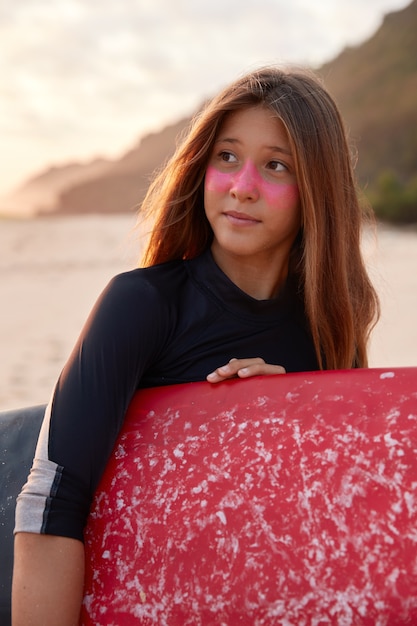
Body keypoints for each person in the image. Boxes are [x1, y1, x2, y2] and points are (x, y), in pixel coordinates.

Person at [12, 65, 379, 625]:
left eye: (275, 165)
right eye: (226, 157)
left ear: (318, 191)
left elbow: (343, 516)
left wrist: (297, 416)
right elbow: (50, 501)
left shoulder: (331, 331)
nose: (242, 185)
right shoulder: (142, 305)